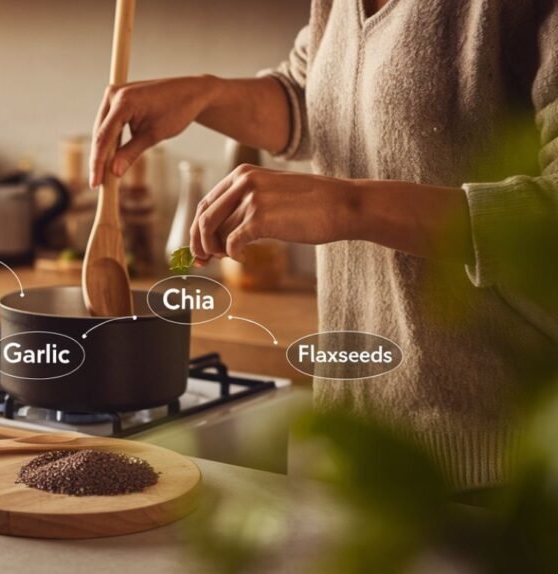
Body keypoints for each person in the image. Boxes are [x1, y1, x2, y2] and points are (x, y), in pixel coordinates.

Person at [90, 0, 558, 490]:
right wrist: (208, 95)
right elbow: (315, 94)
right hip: (353, 441)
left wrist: (348, 207)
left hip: (499, 467)